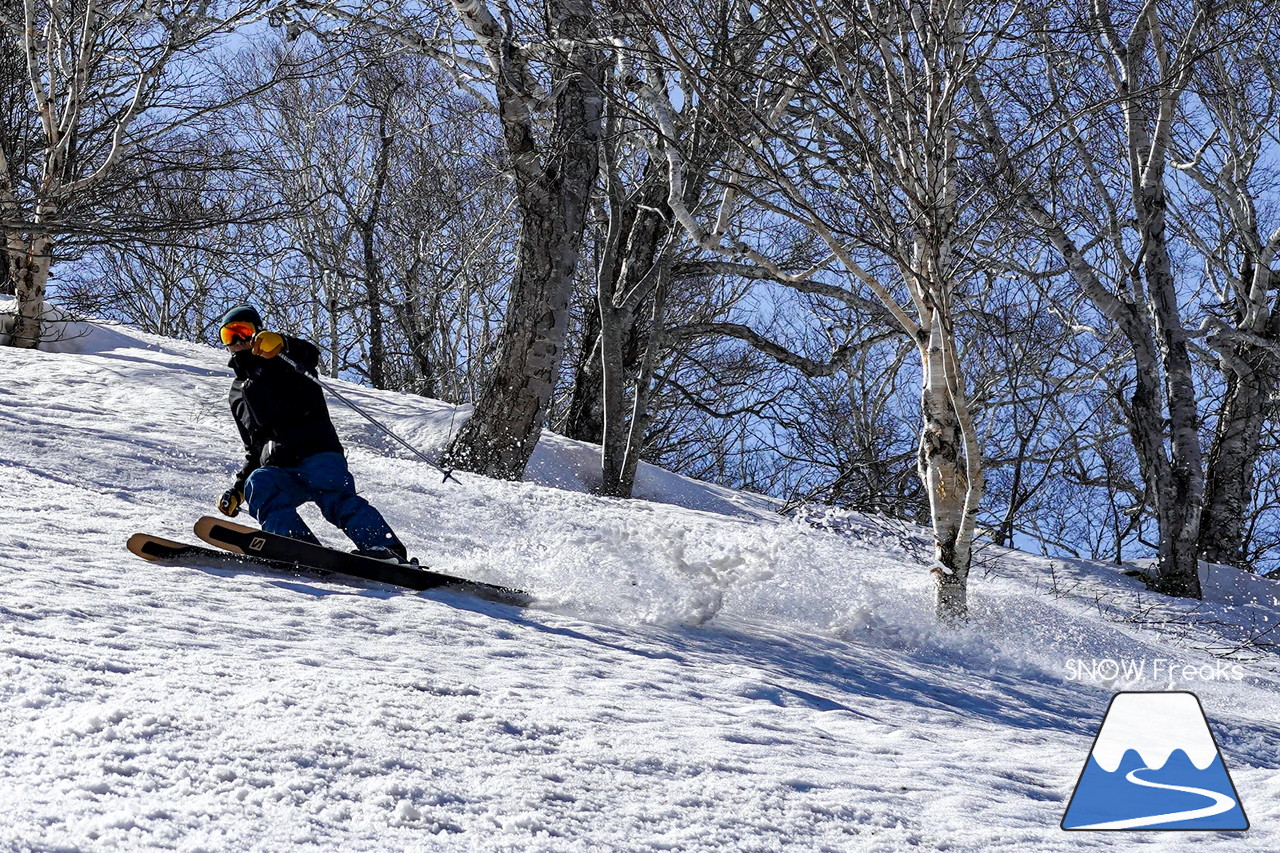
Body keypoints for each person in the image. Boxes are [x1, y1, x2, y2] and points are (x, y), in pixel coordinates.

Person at [215, 305, 410, 562]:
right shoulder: (237, 393)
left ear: (257, 333)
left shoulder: (283, 358)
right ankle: (294, 544)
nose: (238, 340)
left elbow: (309, 355)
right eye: (229, 335)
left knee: (336, 499)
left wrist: (283, 344)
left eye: (243, 331)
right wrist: (239, 489)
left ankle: (384, 549)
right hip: (280, 467)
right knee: (259, 484)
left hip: (317, 452)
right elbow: (254, 448)